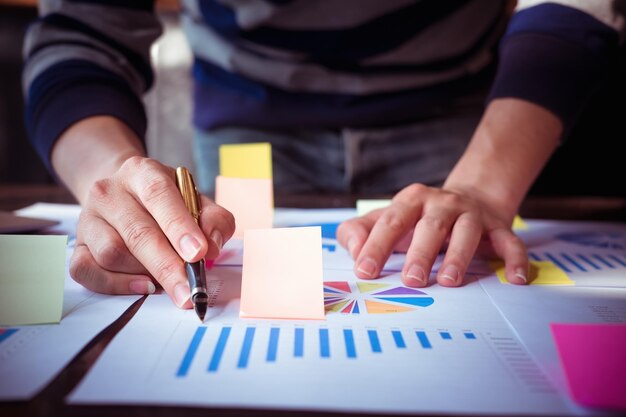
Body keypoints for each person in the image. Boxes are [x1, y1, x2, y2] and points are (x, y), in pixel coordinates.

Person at [22, 0, 625, 309]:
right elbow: (81, 30)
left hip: (464, 114)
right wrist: (109, 179)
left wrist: (487, 186)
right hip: (246, 114)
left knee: (460, 256)